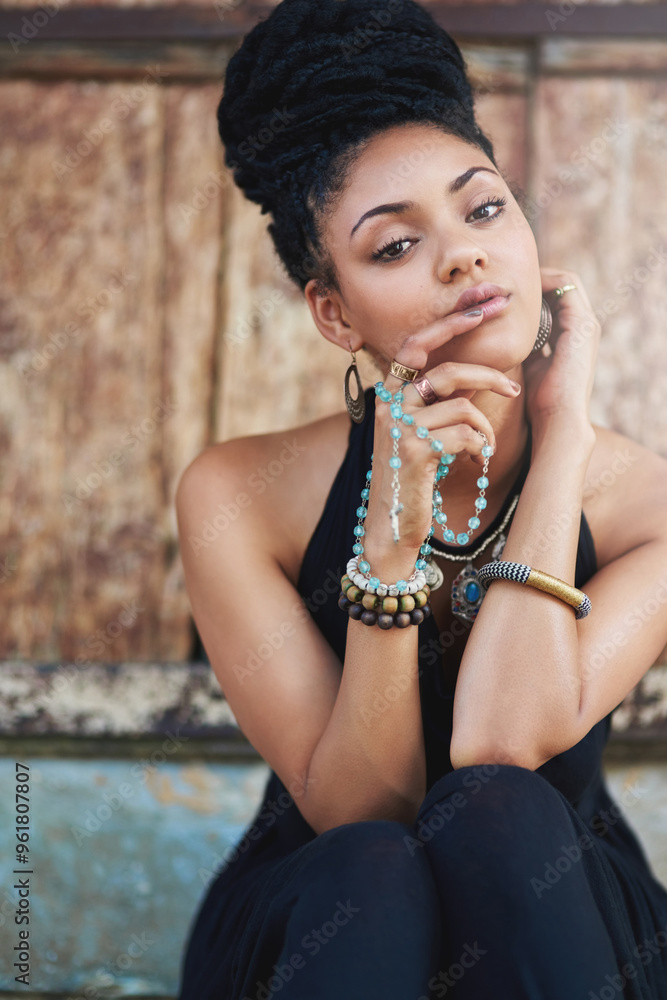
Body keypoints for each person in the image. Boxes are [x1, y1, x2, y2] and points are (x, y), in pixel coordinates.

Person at [174, 1, 667, 997]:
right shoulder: (240, 494)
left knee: (499, 810)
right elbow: (366, 806)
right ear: (333, 310)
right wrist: (389, 554)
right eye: (394, 247)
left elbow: (498, 744)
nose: (463, 257)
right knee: (375, 867)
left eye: (483, 208)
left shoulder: (643, 500)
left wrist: (563, 433)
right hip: (325, 918)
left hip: (561, 910)